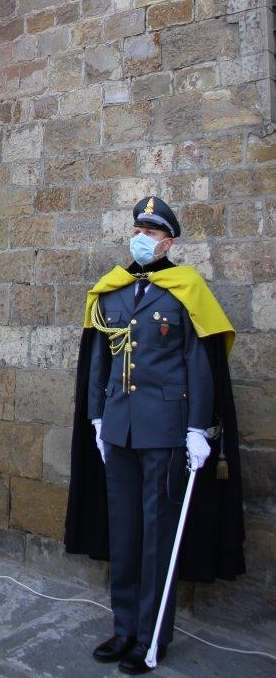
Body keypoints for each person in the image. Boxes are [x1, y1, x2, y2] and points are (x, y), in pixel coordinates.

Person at [64, 196, 244, 675]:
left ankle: (151, 635)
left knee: (156, 535)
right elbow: (101, 356)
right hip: (120, 430)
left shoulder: (185, 289)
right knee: (123, 532)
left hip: (165, 433)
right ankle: (124, 629)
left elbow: (199, 364)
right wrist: (99, 418)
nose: (141, 240)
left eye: (151, 234)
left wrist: (197, 430)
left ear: (169, 242)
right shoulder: (113, 289)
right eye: (137, 231)